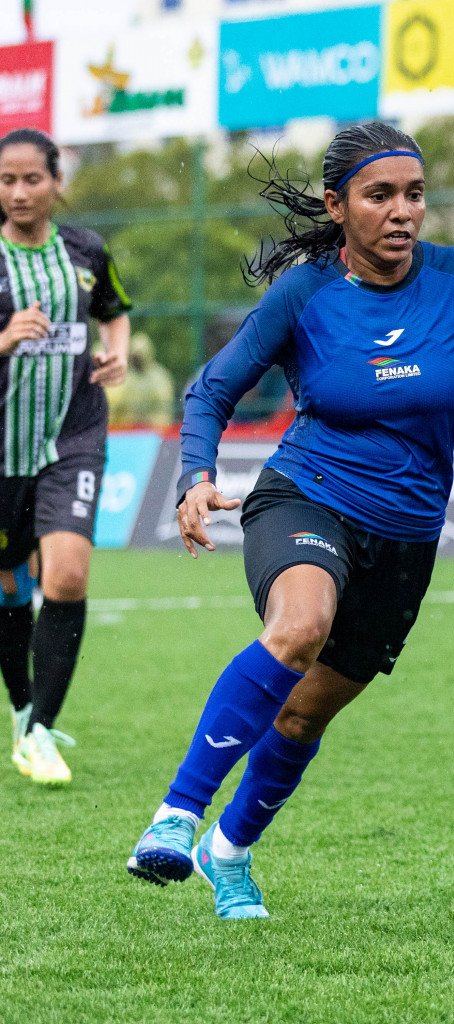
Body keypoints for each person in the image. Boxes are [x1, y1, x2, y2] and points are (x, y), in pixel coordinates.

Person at [124, 123, 454, 918]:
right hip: (307, 494)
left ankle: (231, 852)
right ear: (337, 205)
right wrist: (195, 474)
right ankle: (176, 816)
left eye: (414, 195)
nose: (402, 213)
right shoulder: (304, 294)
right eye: (380, 195)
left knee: (305, 709)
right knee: (299, 625)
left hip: (408, 536)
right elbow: (212, 390)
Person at [0, 128, 133, 786]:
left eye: (33, 179)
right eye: (7, 181)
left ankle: (39, 732)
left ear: (57, 183)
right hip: (2, 453)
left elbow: (114, 312)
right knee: (7, 589)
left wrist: (119, 352)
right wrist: (4, 338)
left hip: (73, 439)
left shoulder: (86, 251)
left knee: (68, 576)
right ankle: (23, 708)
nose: (20, 192)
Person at [104, 332, 176, 427]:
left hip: (153, 432)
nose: (137, 358)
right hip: (125, 432)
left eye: (140, 354)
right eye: (135, 355)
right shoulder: (123, 376)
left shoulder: (159, 377)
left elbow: (164, 410)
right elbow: (113, 408)